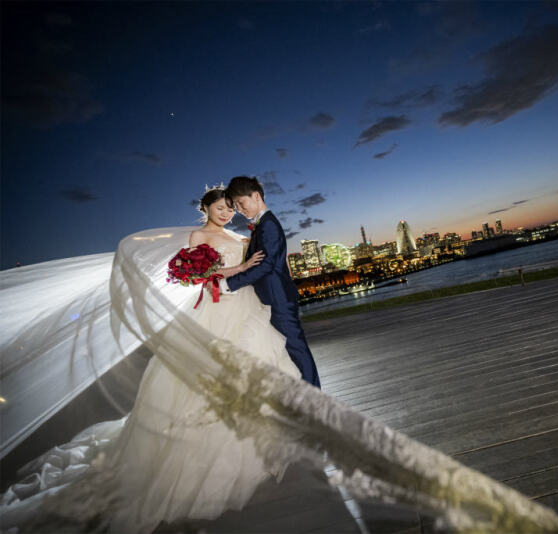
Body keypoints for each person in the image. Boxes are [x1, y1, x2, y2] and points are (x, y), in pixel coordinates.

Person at [0, 186, 309, 533]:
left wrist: (250, 267)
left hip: (246, 307)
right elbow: (199, 276)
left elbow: (263, 264)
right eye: (220, 208)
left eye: (230, 208)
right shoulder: (197, 235)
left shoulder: (240, 234)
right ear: (205, 208)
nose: (226, 213)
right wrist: (235, 268)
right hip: (216, 308)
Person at [222, 176, 321, 389]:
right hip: (273, 297)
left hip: (279, 299)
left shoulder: (268, 225)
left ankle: (316, 399)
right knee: (291, 350)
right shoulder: (262, 226)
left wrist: (229, 284)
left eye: (241, 203)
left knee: (296, 349)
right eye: (236, 205)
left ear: (256, 196)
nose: (239, 209)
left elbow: (266, 266)